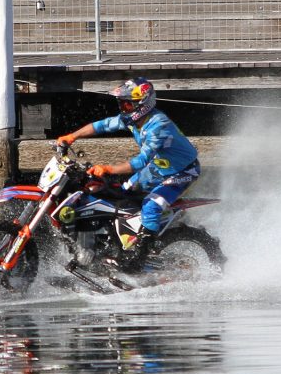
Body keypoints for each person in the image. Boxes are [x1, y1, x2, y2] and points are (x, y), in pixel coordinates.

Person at [55, 77, 201, 270]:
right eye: (121, 104)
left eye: (126, 104)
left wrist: (108, 169)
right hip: (159, 168)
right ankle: (118, 243)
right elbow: (103, 125)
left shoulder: (158, 126)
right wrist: (72, 136)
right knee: (120, 194)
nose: (122, 108)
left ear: (142, 104)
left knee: (150, 206)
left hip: (182, 171)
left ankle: (139, 259)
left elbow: (141, 162)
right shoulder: (133, 120)